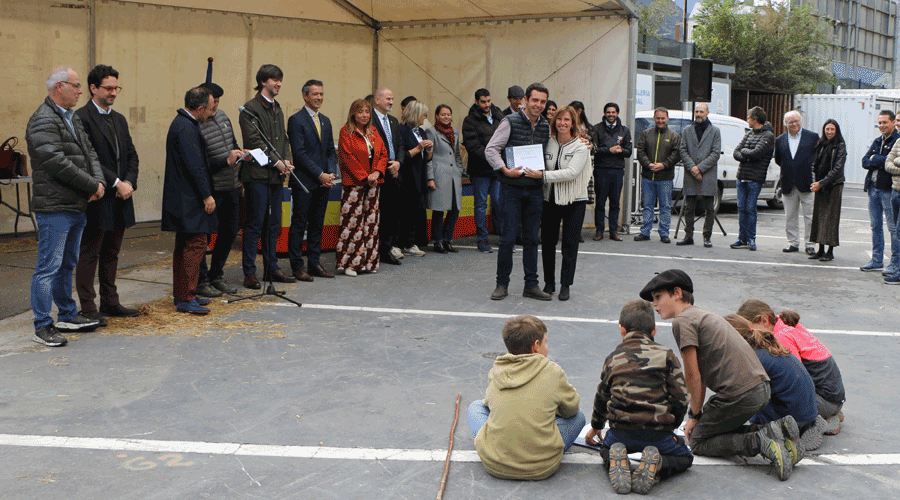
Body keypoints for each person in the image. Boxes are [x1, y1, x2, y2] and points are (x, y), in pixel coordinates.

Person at [640, 269, 797, 481]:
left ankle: (760, 442)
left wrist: (694, 416)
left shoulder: (683, 321)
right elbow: (701, 376)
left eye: (658, 297)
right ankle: (773, 430)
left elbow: (692, 375)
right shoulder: (704, 315)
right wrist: (697, 414)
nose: (654, 305)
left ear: (677, 293)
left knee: (698, 441)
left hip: (740, 394)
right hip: (760, 389)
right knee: (713, 428)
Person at [26, 66, 106, 346]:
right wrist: (91, 185)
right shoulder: (42, 120)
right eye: (75, 85)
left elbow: (89, 152)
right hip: (55, 207)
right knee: (48, 266)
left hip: (75, 205)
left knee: (66, 264)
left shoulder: (71, 118)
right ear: (58, 87)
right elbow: (57, 162)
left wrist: (98, 182)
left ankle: (67, 315)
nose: (80, 90)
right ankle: (42, 325)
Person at [585, 300, 693, 495]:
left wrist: (596, 426)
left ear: (622, 329)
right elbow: (681, 398)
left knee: (606, 449)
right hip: (658, 435)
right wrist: (671, 425)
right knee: (685, 457)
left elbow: (602, 396)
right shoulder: (666, 355)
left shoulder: (613, 358)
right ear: (654, 331)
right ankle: (658, 464)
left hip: (621, 432)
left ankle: (618, 460)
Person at [467, 315, 585, 480]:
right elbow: (571, 409)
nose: (547, 347)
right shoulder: (553, 371)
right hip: (543, 466)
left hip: (494, 464)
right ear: (536, 345)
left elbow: (488, 404)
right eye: (546, 342)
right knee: (579, 416)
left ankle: (496, 446)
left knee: (476, 407)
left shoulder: (497, 371)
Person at [162, 86, 242, 314]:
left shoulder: (183, 124)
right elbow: (196, 166)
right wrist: (207, 195)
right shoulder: (187, 128)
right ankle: (186, 296)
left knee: (185, 247)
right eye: (208, 108)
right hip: (190, 199)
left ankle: (183, 294)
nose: (211, 112)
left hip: (184, 197)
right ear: (198, 108)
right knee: (195, 246)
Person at [74, 64, 140, 323]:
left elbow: (132, 155)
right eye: (108, 88)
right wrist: (116, 182)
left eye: (116, 88)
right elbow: (87, 158)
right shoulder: (81, 118)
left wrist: (130, 182)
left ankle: (110, 303)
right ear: (93, 88)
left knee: (112, 253)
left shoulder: (119, 119)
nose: (113, 92)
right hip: (99, 196)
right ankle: (88, 307)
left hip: (121, 197)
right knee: (90, 253)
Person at [736, 300, 846, 436]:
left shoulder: (782, 337)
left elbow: (795, 378)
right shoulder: (787, 325)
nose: (750, 335)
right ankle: (830, 413)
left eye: (751, 329)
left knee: (767, 396)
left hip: (825, 400)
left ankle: (815, 423)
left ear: (764, 320)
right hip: (833, 397)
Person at [486, 83, 552, 301]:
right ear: (526, 99)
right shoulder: (509, 121)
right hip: (511, 189)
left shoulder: (545, 125)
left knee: (532, 239)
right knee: (508, 238)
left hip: (534, 190)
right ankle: (501, 284)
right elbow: (491, 149)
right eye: (535, 100)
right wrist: (504, 169)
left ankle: (531, 285)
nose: (539, 105)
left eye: (543, 101)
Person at [523, 106, 590, 302]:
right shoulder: (548, 143)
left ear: (573, 123)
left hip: (574, 200)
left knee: (570, 244)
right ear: (554, 122)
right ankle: (549, 282)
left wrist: (542, 176)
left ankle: (566, 285)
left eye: (567, 120)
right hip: (550, 199)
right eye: (559, 119)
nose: (562, 123)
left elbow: (571, 173)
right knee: (548, 242)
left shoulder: (581, 146)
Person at [238, 64, 296, 289]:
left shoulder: (277, 108)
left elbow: (283, 138)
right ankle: (249, 272)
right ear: (263, 81)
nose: (279, 83)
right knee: (254, 225)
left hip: (276, 176)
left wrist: (286, 161)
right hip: (257, 176)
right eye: (274, 79)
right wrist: (277, 161)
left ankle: (272, 267)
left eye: (280, 79)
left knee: (273, 225)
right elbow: (255, 142)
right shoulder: (249, 109)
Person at [724, 315, 817, 442]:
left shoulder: (753, 358)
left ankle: (790, 434)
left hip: (795, 420)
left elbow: (739, 397)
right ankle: (808, 426)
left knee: (750, 400)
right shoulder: (761, 347)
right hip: (807, 413)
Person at [196, 80, 244, 298]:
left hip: (231, 185)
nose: (215, 106)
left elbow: (232, 143)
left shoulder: (224, 117)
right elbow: (202, 162)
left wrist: (239, 154)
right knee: (204, 237)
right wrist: (226, 160)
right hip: (212, 189)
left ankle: (217, 274)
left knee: (229, 232)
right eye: (212, 102)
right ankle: (202, 279)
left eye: (218, 101)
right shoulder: (197, 123)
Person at [287, 79, 338, 282]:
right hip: (304, 183)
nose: (319, 98)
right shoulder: (296, 120)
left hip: (324, 182)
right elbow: (299, 154)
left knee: (318, 224)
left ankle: (315, 263)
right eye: (315, 94)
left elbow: (330, 152)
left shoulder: (325, 120)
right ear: (305, 96)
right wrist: (320, 174)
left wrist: (331, 174)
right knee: (299, 224)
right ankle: (297, 266)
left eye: (321, 94)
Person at [335, 99, 387, 276]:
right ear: (353, 114)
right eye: (360, 112)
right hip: (354, 185)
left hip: (373, 184)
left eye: (367, 112)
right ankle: (351, 264)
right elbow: (347, 158)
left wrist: (377, 173)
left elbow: (383, 154)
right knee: (353, 225)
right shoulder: (346, 132)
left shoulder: (373, 131)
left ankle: (369, 263)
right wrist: (365, 177)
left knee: (371, 224)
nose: (364, 115)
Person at [462, 88, 505, 253]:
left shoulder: (499, 115)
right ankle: (482, 240)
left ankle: (504, 239)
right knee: (480, 205)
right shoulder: (469, 121)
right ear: (476, 102)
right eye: (483, 102)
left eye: (488, 101)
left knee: (499, 203)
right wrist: (493, 156)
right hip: (480, 169)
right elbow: (473, 146)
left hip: (497, 169)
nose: (487, 105)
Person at [860, 110, 900, 273]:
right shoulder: (878, 141)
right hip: (873, 189)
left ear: (892, 123)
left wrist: (876, 159)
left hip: (889, 190)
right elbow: (864, 161)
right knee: (875, 226)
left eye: (885, 122)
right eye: (880, 123)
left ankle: (895, 263)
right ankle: (877, 260)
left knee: (893, 228)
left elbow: (887, 163)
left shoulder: (897, 140)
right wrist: (879, 161)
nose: (882, 126)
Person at [774, 111, 819, 255]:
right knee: (790, 216)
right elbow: (779, 160)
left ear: (801, 120)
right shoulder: (779, 140)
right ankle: (793, 243)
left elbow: (817, 158)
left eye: (796, 120)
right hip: (788, 183)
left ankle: (810, 244)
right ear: (785, 124)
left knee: (810, 217)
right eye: (790, 122)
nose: (794, 124)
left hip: (807, 183)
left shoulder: (812, 137)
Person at [731, 106, 775, 251]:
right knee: (741, 208)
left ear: (755, 119)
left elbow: (756, 153)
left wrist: (745, 153)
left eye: (749, 117)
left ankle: (751, 238)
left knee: (750, 209)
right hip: (742, 176)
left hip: (755, 178)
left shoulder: (768, 135)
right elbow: (736, 152)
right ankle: (741, 238)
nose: (747, 120)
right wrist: (746, 154)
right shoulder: (749, 134)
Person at [677, 103, 720, 247]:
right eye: (696, 111)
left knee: (709, 208)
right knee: (689, 208)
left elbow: (715, 153)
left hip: (707, 175)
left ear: (708, 112)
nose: (699, 114)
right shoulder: (687, 130)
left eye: (701, 111)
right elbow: (682, 150)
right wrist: (693, 168)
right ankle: (688, 236)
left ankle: (707, 237)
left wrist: (700, 169)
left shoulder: (715, 131)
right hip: (690, 174)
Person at [372, 87, 406, 265]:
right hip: (378, 174)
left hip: (394, 172)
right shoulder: (369, 120)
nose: (391, 102)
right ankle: (374, 250)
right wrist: (384, 165)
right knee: (378, 214)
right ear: (377, 100)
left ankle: (387, 248)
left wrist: (398, 162)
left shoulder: (393, 121)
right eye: (387, 99)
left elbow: (400, 145)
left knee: (392, 213)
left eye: (392, 99)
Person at [635, 107, 680, 243]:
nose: (660, 120)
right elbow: (640, 151)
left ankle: (664, 233)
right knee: (647, 206)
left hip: (665, 178)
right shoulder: (645, 133)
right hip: (648, 176)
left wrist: (663, 164)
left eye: (663, 118)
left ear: (667, 119)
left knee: (665, 206)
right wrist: (649, 164)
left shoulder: (674, 136)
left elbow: (676, 154)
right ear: (654, 118)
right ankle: (645, 232)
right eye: (658, 118)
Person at [425, 104, 464, 254]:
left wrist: (459, 169)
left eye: (448, 114)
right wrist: (430, 177)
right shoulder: (431, 132)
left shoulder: (455, 131)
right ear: (436, 116)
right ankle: (437, 241)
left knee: (455, 209)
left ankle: (448, 239)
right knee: (439, 209)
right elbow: (429, 156)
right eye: (443, 114)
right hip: (439, 174)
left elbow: (457, 154)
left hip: (454, 174)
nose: (446, 117)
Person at [592, 102, 631, 241]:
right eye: (608, 112)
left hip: (617, 171)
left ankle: (613, 231)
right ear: (604, 113)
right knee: (600, 202)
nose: (611, 114)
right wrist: (609, 150)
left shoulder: (624, 130)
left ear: (617, 113)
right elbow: (593, 149)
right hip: (601, 170)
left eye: (613, 112)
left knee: (615, 203)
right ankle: (599, 230)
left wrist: (621, 150)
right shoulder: (597, 129)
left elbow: (629, 151)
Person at [397, 101, 432, 257]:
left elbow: (427, 158)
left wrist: (429, 150)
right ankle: (397, 243)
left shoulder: (421, 132)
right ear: (416, 114)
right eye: (423, 115)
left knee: (415, 213)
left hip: (419, 177)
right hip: (406, 177)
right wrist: (417, 149)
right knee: (403, 212)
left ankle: (410, 243)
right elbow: (401, 156)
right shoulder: (402, 131)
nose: (425, 118)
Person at [808, 119, 846, 262]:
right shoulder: (821, 144)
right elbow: (814, 165)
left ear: (836, 131)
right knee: (819, 217)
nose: (829, 132)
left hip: (834, 185)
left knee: (831, 219)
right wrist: (815, 182)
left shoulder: (840, 146)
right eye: (827, 129)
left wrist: (821, 183)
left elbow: (837, 169)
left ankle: (829, 251)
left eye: (832, 129)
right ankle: (820, 250)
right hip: (820, 185)